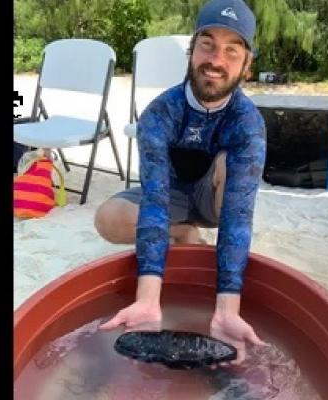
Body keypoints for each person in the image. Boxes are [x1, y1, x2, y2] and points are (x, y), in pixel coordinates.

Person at [94, 0, 267, 365]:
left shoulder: (247, 122)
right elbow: (155, 200)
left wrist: (227, 307)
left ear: (247, 66)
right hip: (170, 196)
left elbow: (238, 217)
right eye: (207, 44)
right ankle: (184, 234)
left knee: (227, 167)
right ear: (191, 52)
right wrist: (148, 297)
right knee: (107, 217)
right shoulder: (160, 112)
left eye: (231, 51)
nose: (216, 61)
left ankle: (191, 230)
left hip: (215, 202)